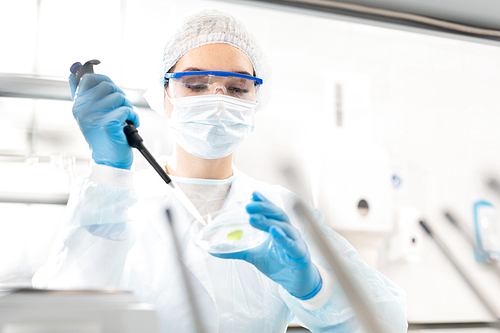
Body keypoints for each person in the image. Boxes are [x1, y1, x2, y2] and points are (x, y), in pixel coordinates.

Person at [33, 9, 407, 333]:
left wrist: (313, 287)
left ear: (257, 99)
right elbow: (59, 319)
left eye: (238, 88)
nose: (216, 100)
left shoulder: (279, 212)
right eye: (195, 84)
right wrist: (110, 173)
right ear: (165, 92)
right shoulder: (115, 201)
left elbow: (385, 323)